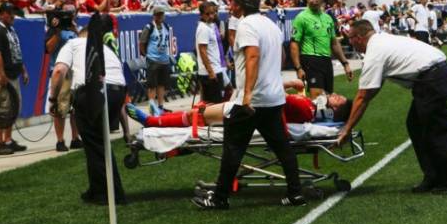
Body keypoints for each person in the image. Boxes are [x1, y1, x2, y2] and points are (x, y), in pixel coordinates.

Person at [192, 0, 306, 210]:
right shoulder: (270, 24)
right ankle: (295, 193)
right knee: (283, 148)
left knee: (232, 148)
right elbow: (280, 57)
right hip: (273, 98)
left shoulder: (246, 25)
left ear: (240, 3)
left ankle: (219, 198)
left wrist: (247, 94)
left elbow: (253, 56)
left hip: (252, 100)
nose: (229, 6)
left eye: (232, 1)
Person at [337, 20, 447, 195]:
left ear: (360, 37)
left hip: (432, 78)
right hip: (436, 75)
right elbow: (372, 89)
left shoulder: (375, 52)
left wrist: (347, 128)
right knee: (416, 125)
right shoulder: (382, 41)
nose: (350, 42)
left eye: (351, 38)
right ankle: (434, 177)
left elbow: (363, 96)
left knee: (435, 130)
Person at [48, 27, 127, 205]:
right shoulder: (105, 48)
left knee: (95, 144)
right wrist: (126, 131)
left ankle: (110, 193)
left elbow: (59, 71)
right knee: (99, 142)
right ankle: (97, 189)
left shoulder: (72, 44)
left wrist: (53, 99)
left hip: (93, 92)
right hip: (118, 91)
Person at [126, 79, 353, 128]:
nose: (334, 94)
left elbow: (273, 96)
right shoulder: (309, 108)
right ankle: (157, 117)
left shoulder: (306, 109)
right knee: (200, 109)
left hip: (247, 112)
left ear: (332, 111)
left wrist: (285, 84)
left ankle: (153, 121)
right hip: (249, 109)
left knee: (199, 114)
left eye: (337, 99)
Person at [290, 0, 353, 99]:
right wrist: (298, 68)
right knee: (318, 98)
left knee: (329, 98)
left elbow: (334, 43)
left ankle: (323, 117)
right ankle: (315, 116)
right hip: (310, 60)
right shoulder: (301, 18)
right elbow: (294, 44)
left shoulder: (328, 18)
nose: (311, 0)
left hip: (326, 61)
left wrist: (345, 64)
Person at [0, 3, 29, 155]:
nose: (12, 16)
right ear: (1, 14)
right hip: (3, 77)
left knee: (13, 109)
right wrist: (2, 74)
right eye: (9, 13)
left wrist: (23, 70)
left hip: (14, 75)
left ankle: (9, 140)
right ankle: (0, 144)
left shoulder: (11, 30)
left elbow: (16, 52)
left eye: (13, 13)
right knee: (1, 110)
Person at [45, 10, 83, 152]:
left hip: (75, 72)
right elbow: (48, 49)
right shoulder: (53, 31)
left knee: (76, 109)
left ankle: (75, 138)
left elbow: (81, 45)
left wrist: (74, 29)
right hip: (61, 73)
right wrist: (57, 32)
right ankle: (60, 140)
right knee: (60, 109)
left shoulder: (73, 30)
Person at [139, 6, 171, 113]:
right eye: (158, 14)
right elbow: (142, 42)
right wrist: (146, 55)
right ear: (154, 16)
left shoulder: (166, 26)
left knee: (161, 84)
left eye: (162, 14)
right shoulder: (149, 27)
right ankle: (152, 108)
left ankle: (161, 106)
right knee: (152, 85)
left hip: (164, 59)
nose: (160, 16)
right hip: (153, 59)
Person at [196, 2, 225, 103]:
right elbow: (202, 51)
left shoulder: (211, 26)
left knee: (217, 102)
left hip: (216, 69)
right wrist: (211, 72)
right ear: (201, 15)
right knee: (212, 105)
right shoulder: (203, 28)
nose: (211, 16)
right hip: (210, 73)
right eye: (207, 14)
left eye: (212, 13)